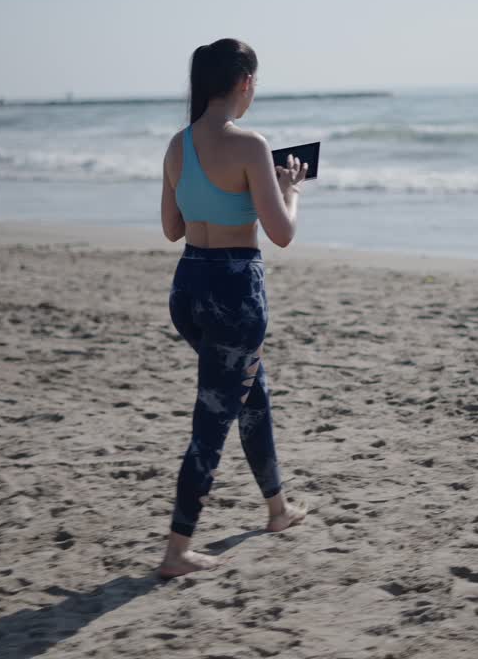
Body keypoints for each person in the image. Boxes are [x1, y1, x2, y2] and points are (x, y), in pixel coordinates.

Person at [157, 38, 308, 579]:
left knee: (251, 392)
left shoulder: (177, 145)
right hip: (234, 291)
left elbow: (172, 228)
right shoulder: (250, 145)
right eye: (255, 83)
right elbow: (282, 233)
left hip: (189, 288)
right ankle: (177, 549)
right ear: (244, 81)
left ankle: (277, 509)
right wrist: (293, 189)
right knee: (212, 420)